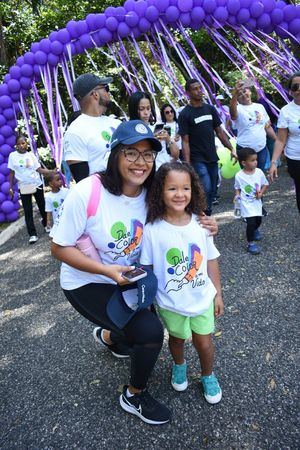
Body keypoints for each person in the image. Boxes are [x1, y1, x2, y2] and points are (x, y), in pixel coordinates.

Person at [51, 120, 218, 424]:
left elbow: (181, 208)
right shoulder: (88, 192)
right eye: (131, 153)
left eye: (148, 155)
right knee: (150, 330)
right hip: (88, 281)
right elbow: (59, 248)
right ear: (114, 154)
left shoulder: (151, 190)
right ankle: (134, 395)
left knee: (135, 317)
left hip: (129, 278)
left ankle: (109, 336)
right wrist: (105, 270)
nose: (140, 163)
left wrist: (206, 223)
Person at [140, 161, 224, 404]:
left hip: (202, 298)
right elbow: (147, 269)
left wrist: (217, 293)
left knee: (204, 342)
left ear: (193, 190)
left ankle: (208, 375)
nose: (179, 194)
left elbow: (211, 259)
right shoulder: (152, 230)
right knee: (176, 339)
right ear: (160, 191)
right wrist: (146, 303)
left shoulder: (202, 223)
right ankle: (179, 365)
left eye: (185, 188)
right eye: (172, 189)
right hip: (170, 301)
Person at [178, 78, 236, 216]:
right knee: (206, 186)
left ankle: (206, 212)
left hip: (212, 156)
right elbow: (185, 141)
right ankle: (201, 212)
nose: (199, 91)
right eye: (195, 89)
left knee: (213, 188)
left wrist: (231, 149)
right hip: (197, 158)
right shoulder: (185, 114)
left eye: (200, 88)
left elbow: (220, 132)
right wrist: (187, 164)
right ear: (188, 93)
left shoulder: (210, 109)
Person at [63, 73, 121, 182]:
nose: (109, 93)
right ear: (95, 94)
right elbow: (82, 182)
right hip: (102, 196)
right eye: (105, 89)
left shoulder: (117, 123)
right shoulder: (75, 131)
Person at [8, 135, 53, 244]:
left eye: (23, 143)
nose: (21, 146)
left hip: (36, 184)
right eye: (19, 144)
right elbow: (12, 173)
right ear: (16, 146)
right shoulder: (13, 156)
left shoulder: (31, 155)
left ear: (27, 143)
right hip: (23, 187)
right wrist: (10, 187)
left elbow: (39, 169)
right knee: (28, 210)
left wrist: (52, 171)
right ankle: (32, 234)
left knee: (42, 206)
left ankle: (46, 225)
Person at [269, 72, 300, 214]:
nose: (299, 89)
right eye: (295, 86)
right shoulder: (286, 111)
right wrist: (274, 162)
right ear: (290, 91)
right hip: (295, 159)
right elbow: (281, 140)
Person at [229, 80, 277, 171]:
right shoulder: (237, 109)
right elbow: (233, 115)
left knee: (260, 174)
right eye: (239, 94)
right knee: (249, 177)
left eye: (244, 91)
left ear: (249, 91)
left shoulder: (259, 107)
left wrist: (277, 140)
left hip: (261, 149)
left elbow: (267, 126)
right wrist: (234, 93)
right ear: (237, 98)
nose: (243, 95)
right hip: (245, 151)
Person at [128, 91, 179, 169]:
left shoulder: (156, 127)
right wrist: (152, 143)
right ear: (134, 110)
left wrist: (168, 139)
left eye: (148, 108)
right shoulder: (129, 131)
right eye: (141, 109)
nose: (146, 113)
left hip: (167, 169)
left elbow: (175, 156)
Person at [234, 148, 269, 255]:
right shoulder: (239, 175)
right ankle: (250, 243)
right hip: (246, 203)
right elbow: (237, 187)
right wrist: (237, 195)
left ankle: (254, 230)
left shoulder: (259, 172)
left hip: (256, 202)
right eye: (252, 160)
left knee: (258, 220)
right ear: (244, 163)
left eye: (256, 160)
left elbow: (265, 184)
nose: (256, 162)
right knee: (251, 222)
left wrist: (261, 193)